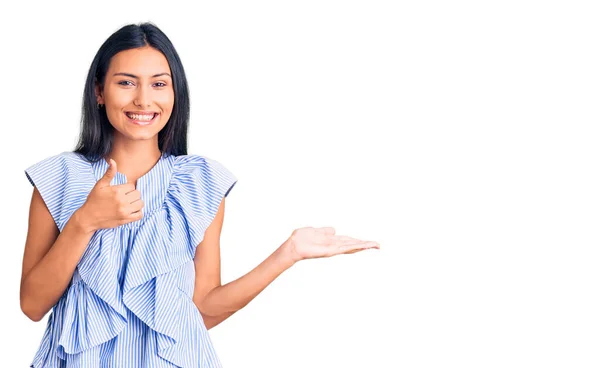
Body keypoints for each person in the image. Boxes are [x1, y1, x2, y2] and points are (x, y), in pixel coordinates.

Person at [20, 22, 380, 368]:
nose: (144, 100)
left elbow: (203, 308)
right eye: (126, 83)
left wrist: (288, 254)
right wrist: (85, 222)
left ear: (176, 93)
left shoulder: (199, 183)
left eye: (159, 84)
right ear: (99, 91)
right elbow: (33, 305)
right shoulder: (60, 178)